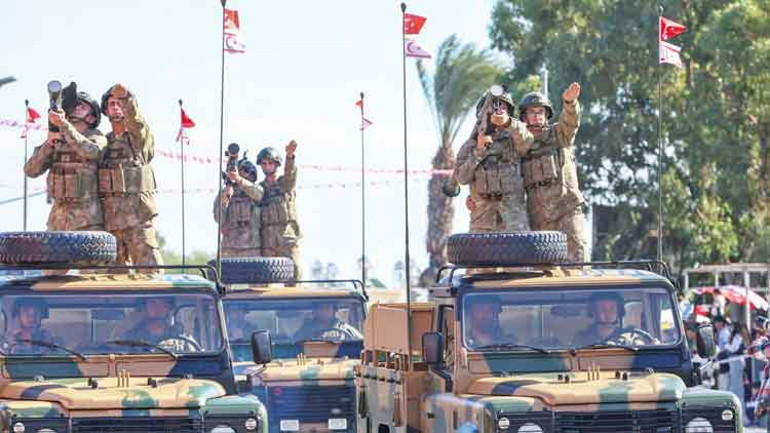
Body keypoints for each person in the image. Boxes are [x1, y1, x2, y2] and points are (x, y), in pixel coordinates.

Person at [518, 83, 587, 262]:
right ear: (524, 117)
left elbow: (571, 122)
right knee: (543, 268)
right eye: (532, 112)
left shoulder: (558, 134)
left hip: (566, 210)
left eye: (541, 111)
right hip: (538, 217)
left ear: (547, 114)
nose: (537, 115)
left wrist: (570, 103)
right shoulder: (519, 144)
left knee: (577, 263)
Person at [99, 83, 162, 270]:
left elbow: (136, 122)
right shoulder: (103, 143)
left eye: (120, 103)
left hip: (138, 221)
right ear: (105, 111)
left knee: (150, 274)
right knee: (111, 279)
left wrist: (127, 99)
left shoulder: (138, 138)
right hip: (110, 223)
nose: (116, 107)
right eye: (112, 104)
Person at [453, 88, 533, 233]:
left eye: (503, 108)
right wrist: (478, 150)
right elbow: (461, 178)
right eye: (494, 107)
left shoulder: (514, 140)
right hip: (482, 219)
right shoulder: (470, 145)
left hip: (514, 219)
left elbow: (527, 140)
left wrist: (508, 123)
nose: (498, 111)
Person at [24, 92, 106, 231]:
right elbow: (30, 171)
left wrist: (63, 124)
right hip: (57, 222)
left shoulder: (96, 137)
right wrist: (49, 144)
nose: (76, 107)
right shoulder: (57, 139)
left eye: (82, 106)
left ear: (91, 118)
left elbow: (91, 151)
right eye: (75, 104)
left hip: (87, 222)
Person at [231, 140, 301, 278]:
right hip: (267, 238)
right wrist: (237, 179)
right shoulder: (260, 188)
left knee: (294, 273)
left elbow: (290, 173)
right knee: (264, 277)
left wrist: (290, 157)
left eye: (270, 163)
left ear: (277, 164)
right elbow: (251, 191)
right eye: (264, 163)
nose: (267, 166)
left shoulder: (285, 184)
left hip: (287, 236)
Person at [215, 154, 262, 257]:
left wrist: (240, 180)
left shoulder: (256, 190)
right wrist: (226, 196)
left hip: (251, 247)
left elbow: (258, 195)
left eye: (245, 173)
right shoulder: (226, 192)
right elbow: (219, 217)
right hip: (230, 247)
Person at [123, 297, 197, 350]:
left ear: (169, 307)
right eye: (152, 302)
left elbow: (196, 359)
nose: (158, 307)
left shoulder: (181, 337)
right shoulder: (131, 337)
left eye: (164, 303)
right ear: (144, 307)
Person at [294, 302, 361, 342]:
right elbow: (294, 345)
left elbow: (362, 344)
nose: (323, 311)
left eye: (327, 307)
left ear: (334, 310)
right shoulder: (305, 330)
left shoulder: (346, 330)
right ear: (315, 310)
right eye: (320, 308)